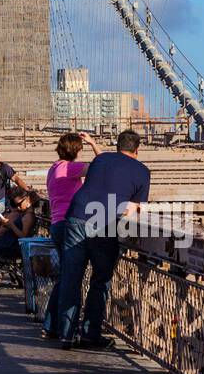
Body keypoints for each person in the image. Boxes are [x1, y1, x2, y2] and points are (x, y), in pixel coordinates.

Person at [42, 129, 150, 348]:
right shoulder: (142, 171)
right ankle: (90, 334)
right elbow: (134, 209)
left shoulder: (101, 160)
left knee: (71, 277)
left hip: (76, 216)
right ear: (137, 149)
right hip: (104, 223)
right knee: (100, 279)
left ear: (118, 145)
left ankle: (65, 334)